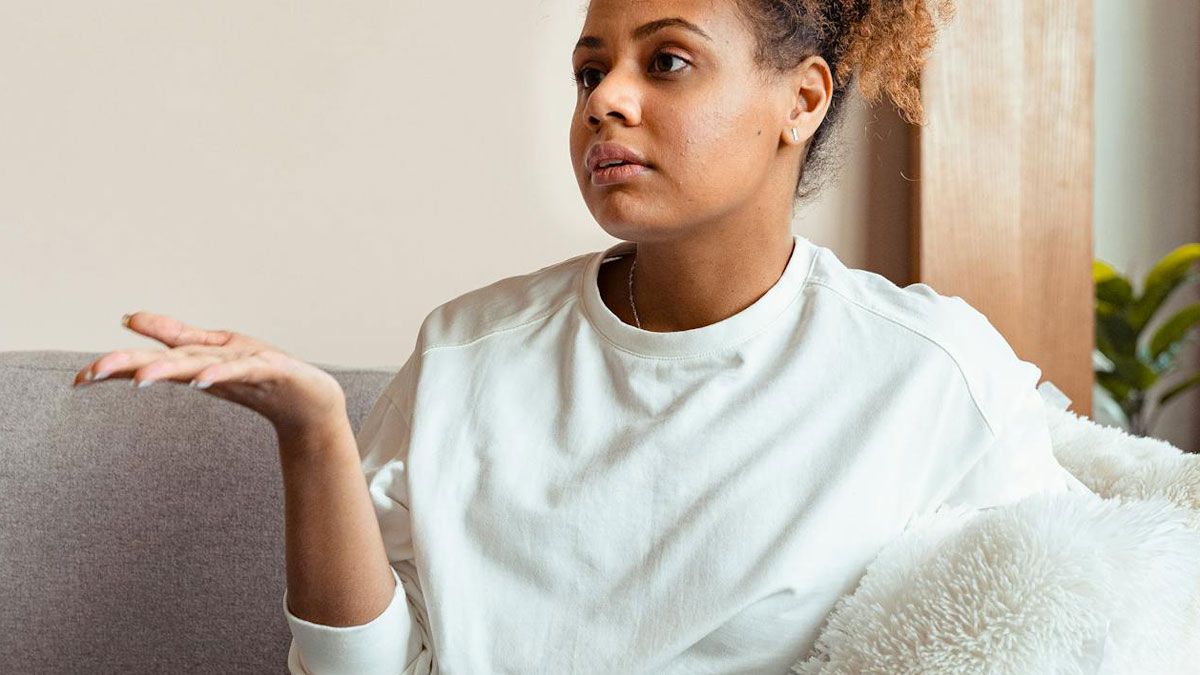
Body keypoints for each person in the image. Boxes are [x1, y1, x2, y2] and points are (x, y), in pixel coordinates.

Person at [72, 0, 1083, 673]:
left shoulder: (928, 376)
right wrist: (314, 434)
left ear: (803, 99)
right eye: (589, 69)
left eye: (668, 62)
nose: (606, 99)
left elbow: (1079, 622)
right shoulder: (474, 349)